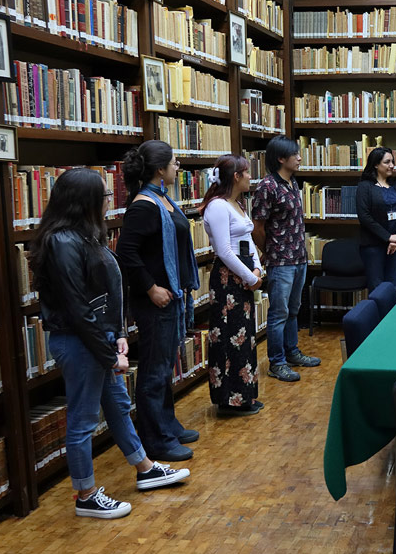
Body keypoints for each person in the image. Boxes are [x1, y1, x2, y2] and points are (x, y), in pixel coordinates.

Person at [30, 168, 189, 519]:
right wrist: (108, 355)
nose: (108, 202)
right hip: (79, 342)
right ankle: (86, 494)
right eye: (103, 196)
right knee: (83, 420)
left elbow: (107, 292)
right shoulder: (62, 242)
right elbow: (76, 308)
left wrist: (117, 335)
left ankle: (145, 469)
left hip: (99, 340)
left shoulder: (87, 235)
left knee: (117, 406)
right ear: (83, 202)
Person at [116, 141, 200, 462]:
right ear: (159, 170)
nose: (178, 168)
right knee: (153, 372)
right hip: (156, 301)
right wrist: (151, 288)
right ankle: (157, 440)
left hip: (171, 296)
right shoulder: (144, 206)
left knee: (164, 368)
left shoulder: (163, 200)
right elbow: (126, 253)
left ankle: (168, 425)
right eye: (175, 163)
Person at [252, 136, 321, 383]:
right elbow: (257, 226)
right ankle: (277, 362)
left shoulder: (293, 182)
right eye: (295, 154)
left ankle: (292, 353)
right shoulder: (266, 187)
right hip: (280, 261)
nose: (300, 158)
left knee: (294, 310)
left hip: (299, 257)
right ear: (281, 158)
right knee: (279, 313)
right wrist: (269, 250)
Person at [201, 155, 264, 416]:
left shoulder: (236, 204)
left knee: (245, 337)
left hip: (244, 276)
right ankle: (229, 400)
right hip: (229, 280)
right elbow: (225, 251)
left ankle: (245, 394)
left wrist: (258, 268)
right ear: (236, 176)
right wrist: (250, 277)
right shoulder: (217, 207)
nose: (251, 176)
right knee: (229, 338)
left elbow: (248, 239)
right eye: (247, 172)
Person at [356, 147, 396, 294]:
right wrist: (388, 237)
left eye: (392, 161)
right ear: (376, 164)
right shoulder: (364, 187)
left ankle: (394, 318)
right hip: (374, 245)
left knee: (394, 286)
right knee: (377, 289)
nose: (392, 165)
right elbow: (364, 217)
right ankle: (379, 318)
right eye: (387, 162)